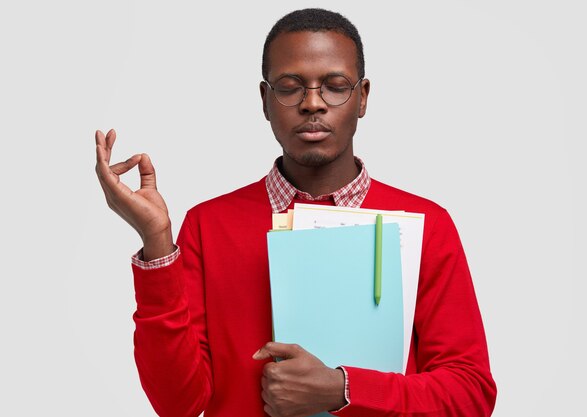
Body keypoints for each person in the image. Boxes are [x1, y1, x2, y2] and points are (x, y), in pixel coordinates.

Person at [95, 8, 497, 417]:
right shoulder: (208, 225)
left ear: (362, 97)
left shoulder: (426, 224)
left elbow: (471, 395)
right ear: (265, 100)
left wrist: (343, 389)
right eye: (290, 87)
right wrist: (157, 243)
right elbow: (177, 404)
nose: (312, 103)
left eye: (335, 85)